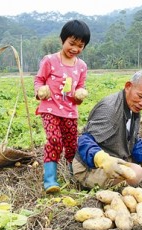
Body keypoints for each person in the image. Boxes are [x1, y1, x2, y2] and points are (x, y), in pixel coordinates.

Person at [72, 70, 142, 190]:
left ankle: (128, 160)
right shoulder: (110, 109)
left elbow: (133, 139)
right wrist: (103, 160)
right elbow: (84, 141)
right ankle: (104, 182)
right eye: (140, 96)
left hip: (112, 150)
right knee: (137, 173)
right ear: (128, 86)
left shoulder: (132, 107)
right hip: (88, 167)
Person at [34, 19, 91, 193]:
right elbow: (39, 79)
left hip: (70, 112)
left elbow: (80, 86)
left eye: (80, 46)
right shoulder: (50, 61)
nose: (75, 49)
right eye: (71, 43)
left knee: (71, 144)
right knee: (54, 140)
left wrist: (80, 94)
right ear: (62, 40)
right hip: (50, 109)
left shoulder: (81, 66)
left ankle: (73, 174)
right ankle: (50, 180)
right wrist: (40, 90)